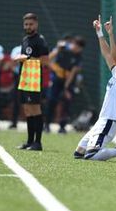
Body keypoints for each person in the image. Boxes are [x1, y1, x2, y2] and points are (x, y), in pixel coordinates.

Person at [73, 15, 116, 163]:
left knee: (91, 156)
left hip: (108, 121)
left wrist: (111, 33)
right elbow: (107, 54)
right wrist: (99, 33)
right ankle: (115, 150)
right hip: (101, 120)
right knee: (79, 153)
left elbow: (115, 56)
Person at [15, 13, 49, 151]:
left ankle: (38, 142)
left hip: (34, 78)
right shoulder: (25, 39)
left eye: (30, 24)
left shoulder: (40, 40)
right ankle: (29, 141)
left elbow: (45, 61)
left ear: (36, 24)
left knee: (35, 109)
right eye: (26, 24)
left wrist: (27, 59)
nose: (28, 27)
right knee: (27, 110)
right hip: (24, 77)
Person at [45, 36, 86, 133]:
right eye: (76, 46)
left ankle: (62, 127)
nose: (77, 49)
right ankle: (46, 125)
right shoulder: (62, 48)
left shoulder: (78, 57)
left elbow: (73, 73)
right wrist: (57, 50)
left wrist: (66, 87)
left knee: (66, 103)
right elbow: (48, 59)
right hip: (56, 80)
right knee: (51, 101)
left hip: (68, 82)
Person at [9, 44, 22, 129]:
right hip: (18, 76)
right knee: (16, 100)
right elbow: (13, 61)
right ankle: (14, 122)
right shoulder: (16, 49)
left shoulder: (33, 48)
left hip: (30, 77)